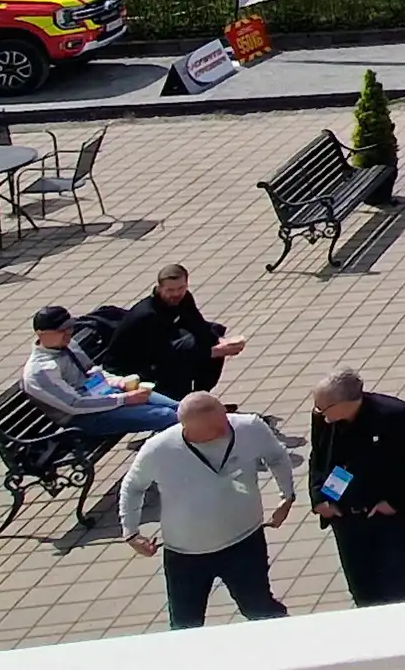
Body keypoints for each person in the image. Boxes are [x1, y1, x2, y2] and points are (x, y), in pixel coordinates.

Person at [119, 391, 297, 629]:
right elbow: (133, 487)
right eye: (215, 427)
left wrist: (287, 496)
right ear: (189, 429)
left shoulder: (250, 427)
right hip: (186, 555)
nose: (226, 429)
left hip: (244, 541)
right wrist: (131, 532)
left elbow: (276, 456)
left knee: (260, 609)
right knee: (185, 625)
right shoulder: (159, 450)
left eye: (225, 419)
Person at [307, 369, 405, 607]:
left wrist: (396, 501)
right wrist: (319, 498)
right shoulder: (325, 419)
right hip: (345, 517)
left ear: (345, 403)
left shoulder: (394, 415)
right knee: (361, 590)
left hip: (387, 518)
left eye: (324, 408)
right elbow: (319, 458)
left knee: (395, 589)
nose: (319, 413)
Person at [23, 305, 179, 435]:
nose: (68, 333)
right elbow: (75, 405)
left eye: (69, 327)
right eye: (62, 330)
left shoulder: (68, 345)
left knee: (182, 408)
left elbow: (91, 371)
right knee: (167, 416)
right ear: (41, 334)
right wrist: (125, 399)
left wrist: (120, 382)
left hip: (106, 394)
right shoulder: (41, 371)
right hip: (86, 417)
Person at [105, 264, 248, 401]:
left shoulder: (184, 298)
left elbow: (198, 325)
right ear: (160, 289)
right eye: (170, 290)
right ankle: (182, 401)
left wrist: (220, 341)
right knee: (186, 360)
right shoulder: (148, 314)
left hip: (161, 347)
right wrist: (212, 352)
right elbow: (164, 354)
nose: (176, 294)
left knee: (211, 337)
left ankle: (201, 396)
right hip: (131, 367)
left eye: (181, 288)